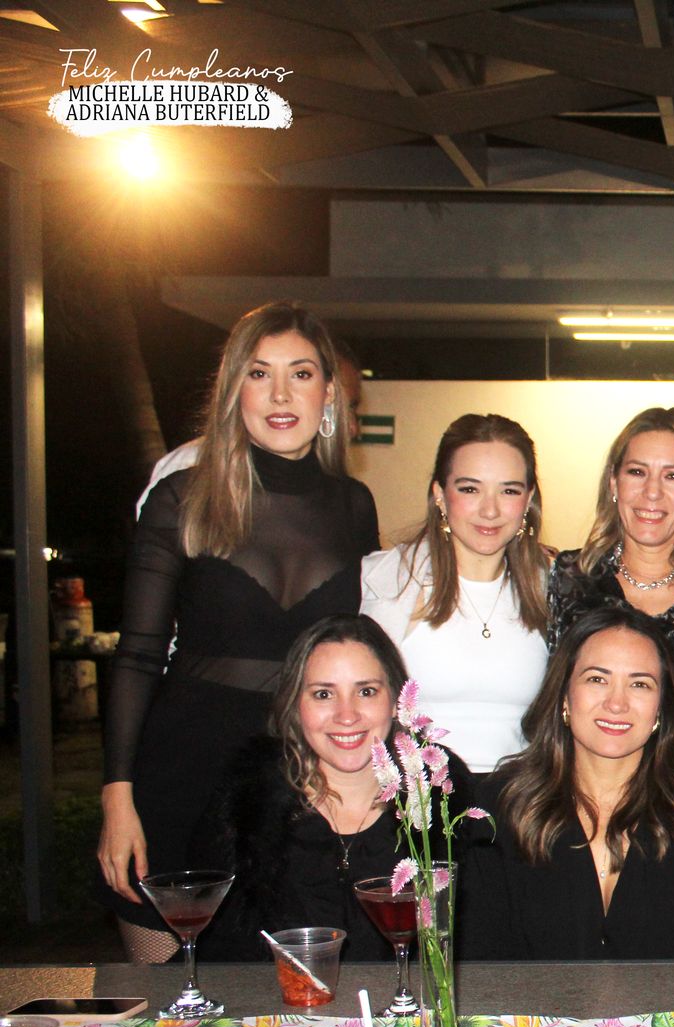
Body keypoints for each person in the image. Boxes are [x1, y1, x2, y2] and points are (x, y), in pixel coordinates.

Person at [99, 302, 379, 961]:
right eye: (259, 373)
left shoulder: (354, 506)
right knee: (165, 1000)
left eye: (300, 374)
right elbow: (137, 657)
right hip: (180, 775)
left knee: (293, 1003)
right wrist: (117, 797)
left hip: (294, 786)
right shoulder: (181, 498)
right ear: (234, 391)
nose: (281, 395)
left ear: (329, 393)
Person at [195, 616, 483, 963]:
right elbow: (219, 957)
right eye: (323, 694)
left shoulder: (445, 805)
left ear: (396, 702)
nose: (347, 715)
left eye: (366, 691)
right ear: (295, 705)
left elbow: (474, 950)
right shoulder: (245, 807)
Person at [462, 605, 674, 960]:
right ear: (564, 697)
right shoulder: (499, 807)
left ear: (660, 709)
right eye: (597, 679)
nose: (617, 703)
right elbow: (479, 961)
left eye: (639, 684)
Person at [360, 414, 550, 774]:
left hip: (521, 799)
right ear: (440, 495)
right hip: (411, 799)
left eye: (509, 491)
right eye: (470, 489)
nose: (490, 510)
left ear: (528, 500)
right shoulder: (385, 581)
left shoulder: (552, 590)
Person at [546, 407, 674, 759]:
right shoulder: (568, 579)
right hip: (583, 788)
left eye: (673, 476)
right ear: (613, 483)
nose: (652, 492)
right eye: (637, 472)